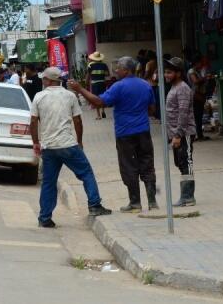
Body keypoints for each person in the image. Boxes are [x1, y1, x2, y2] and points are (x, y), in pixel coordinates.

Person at [69, 57, 158, 213]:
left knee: (129, 167)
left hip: (125, 133)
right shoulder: (145, 85)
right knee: (147, 164)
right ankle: (152, 202)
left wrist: (80, 89)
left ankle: (135, 203)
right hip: (143, 131)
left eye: (118, 68)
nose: (116, 71)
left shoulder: (119, 87)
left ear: (126, 70)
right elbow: (151, 108)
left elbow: (98, 102)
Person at [31, 67, 111, 228]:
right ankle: (94, 205)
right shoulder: (70, 96)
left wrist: (36, 142)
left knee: (48, 182)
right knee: (86, 173)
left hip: (49, 146)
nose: (42, 81)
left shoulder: (39, 97)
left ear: (49, 80)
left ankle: (44, 217)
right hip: (68, 144)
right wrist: (79, 141)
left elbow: (33, 122)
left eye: (44, 78)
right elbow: (78, 121)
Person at [164, 58, 197, 207]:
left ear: (178, 73)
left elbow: (183, 113)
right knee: (181, 163)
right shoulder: (174, 87)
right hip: (175, 134)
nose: (166, 75)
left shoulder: (182, 88)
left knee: (186, 162)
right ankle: (186, 196)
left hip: (184, 133)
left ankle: (188, 197)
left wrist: (178, 135)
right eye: (165, 72)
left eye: (169, 72)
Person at [187, 55, 210, 141]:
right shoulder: (191, 71)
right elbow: (195, 81)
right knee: (197, 116)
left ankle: (199, 134)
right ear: (196, 63)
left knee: (199, 116)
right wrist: (205, 78)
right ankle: (197, 135)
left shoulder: (197, 71)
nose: (201, 64)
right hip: (196, 95)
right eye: (200, 62)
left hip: (199, 95)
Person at [87, 52, 109, 120]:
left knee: (95, 98)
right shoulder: (104, 65)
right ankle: (103, 111)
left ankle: (98, 115)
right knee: (102, 97)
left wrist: (86, 82)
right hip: (102, 83)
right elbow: (107, 74)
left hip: (94, 84)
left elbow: (88, 75)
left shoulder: (90, 65)